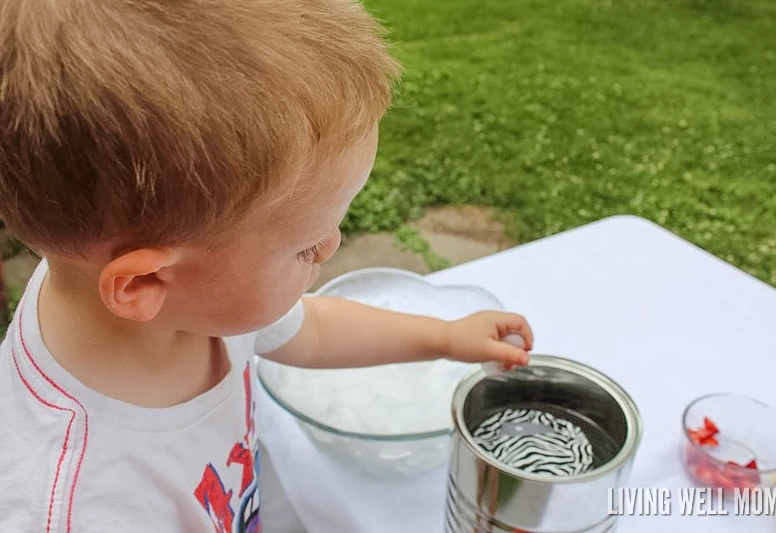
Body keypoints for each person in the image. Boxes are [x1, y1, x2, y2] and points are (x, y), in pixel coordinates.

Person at [0, 0, 534, 531]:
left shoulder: (195, 300)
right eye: (305, 247)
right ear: (144, 281)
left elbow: (313, 330)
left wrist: (442, 339)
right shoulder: (82, 502)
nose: (332, 246)